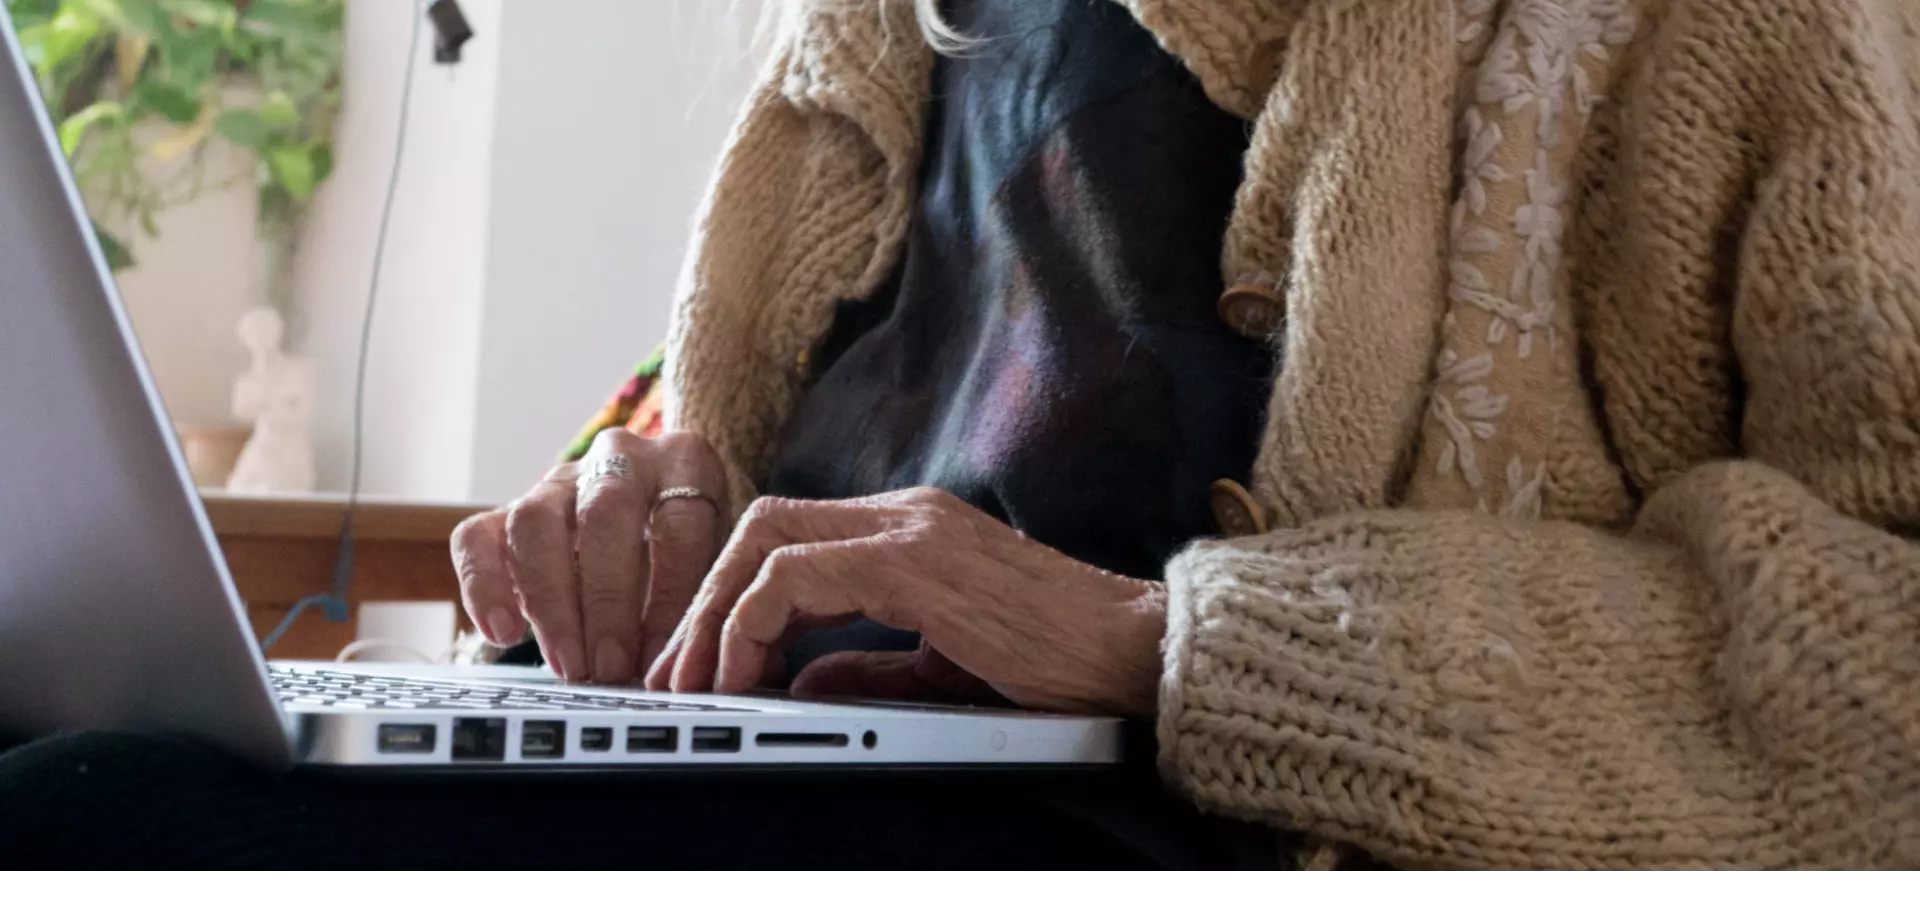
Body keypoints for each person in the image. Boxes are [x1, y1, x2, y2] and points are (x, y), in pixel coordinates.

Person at [4, 0, 1918, 871]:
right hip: (748, 786)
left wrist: (1169, 652)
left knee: (95, 830)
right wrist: (635, 485)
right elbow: (755, 437)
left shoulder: (1746, 36)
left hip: (1129, 835)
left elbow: (1883, 672)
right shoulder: (856, 36)